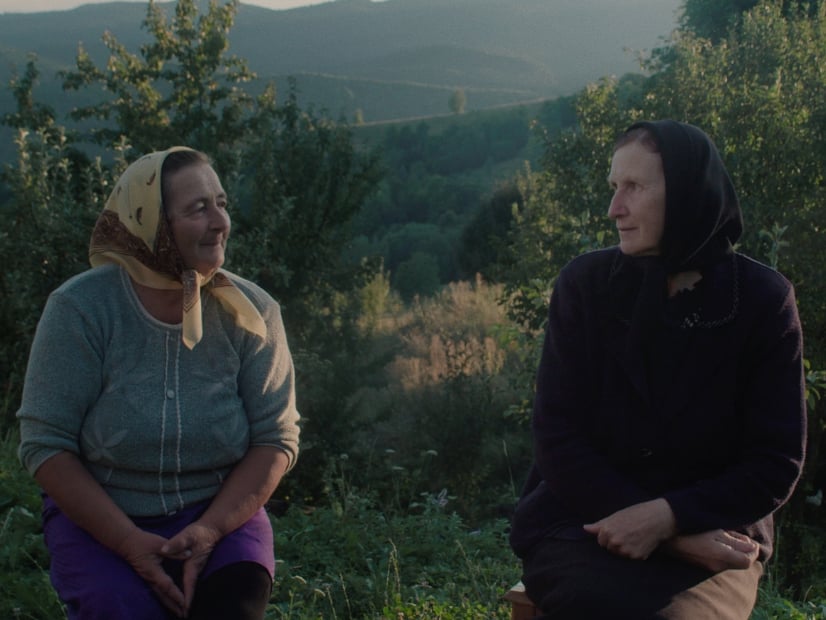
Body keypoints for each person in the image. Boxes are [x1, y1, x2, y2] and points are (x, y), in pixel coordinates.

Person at [508, 120, 807, 619]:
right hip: (583, 521)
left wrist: (671, 519)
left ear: (688, 192)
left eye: (635, 187)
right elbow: (557, 437)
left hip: (716, 533)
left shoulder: (762, 301)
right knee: (594, 604)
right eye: (613, 186)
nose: (614, 208)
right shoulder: (584, 285)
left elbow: (775, 461)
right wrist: (666, 533)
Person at [17, 147, 300, 620]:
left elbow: (276, 438)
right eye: (198, 209)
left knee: (235, 602)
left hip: (220, 510)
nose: (220, 222)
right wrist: (127, 541)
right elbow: (45, 444)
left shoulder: (253, 313)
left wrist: (211, 530)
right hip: (102, 516)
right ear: (150, 224)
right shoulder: (81, 310)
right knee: (120, 607)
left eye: (222, 203)